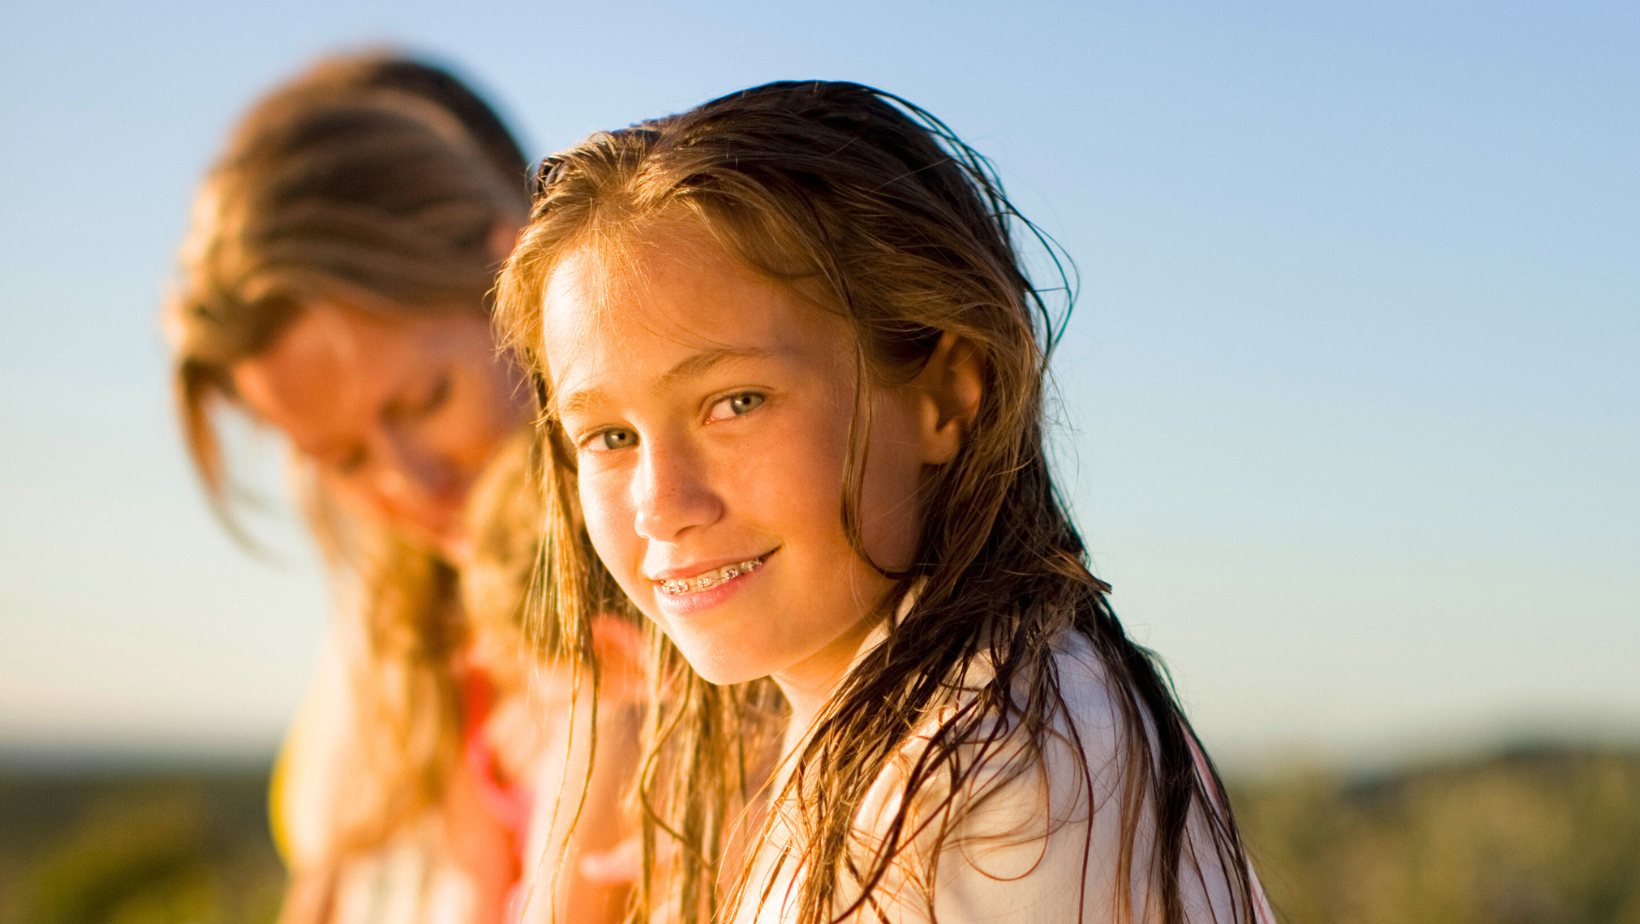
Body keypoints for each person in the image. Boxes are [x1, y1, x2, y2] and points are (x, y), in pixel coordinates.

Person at [493, 81, 1278, 923]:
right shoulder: (888, 743)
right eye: (610, 438)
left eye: (736, 402)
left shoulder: (996, 768)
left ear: (946, 394)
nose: (661, 505)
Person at [164, 51, 631, 924]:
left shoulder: (666, 571)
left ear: (520, 279)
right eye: (341, 457)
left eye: (426, 400)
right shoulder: (416, 628)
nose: (411, 483)